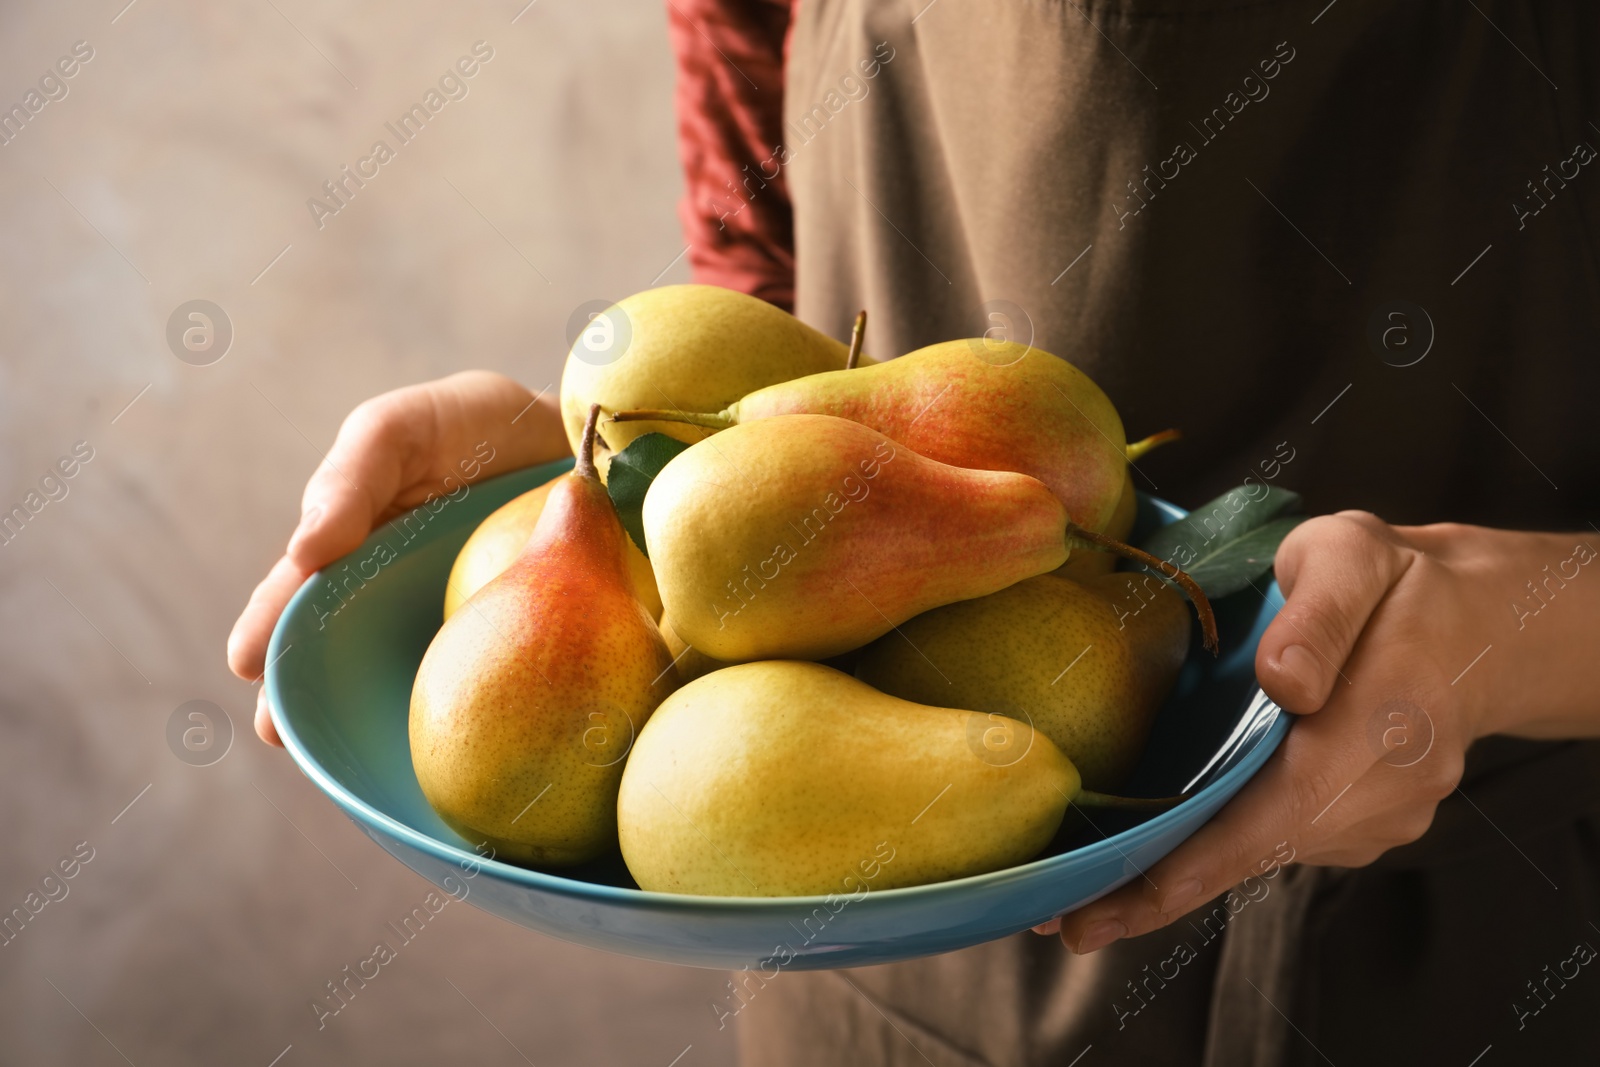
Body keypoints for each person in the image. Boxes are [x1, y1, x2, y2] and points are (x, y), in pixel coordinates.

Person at [231, 1, 1600, 1063]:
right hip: (897, 975)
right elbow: (765, 266)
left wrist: (1530, 629)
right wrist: (595, 474)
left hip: (1500, 935)